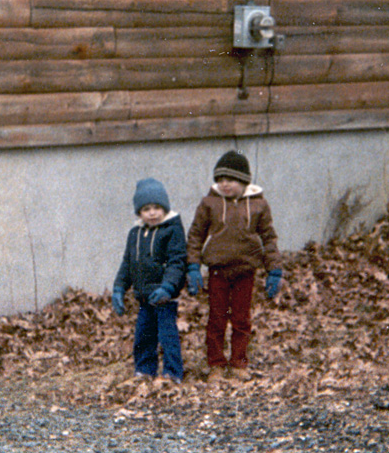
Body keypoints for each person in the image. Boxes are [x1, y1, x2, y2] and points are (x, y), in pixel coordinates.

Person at [186, 150, 282, 383]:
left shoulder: (259, 204)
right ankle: (216, 364)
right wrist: (193, 266)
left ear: (243, 180)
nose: (224, 184)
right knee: (216, 318)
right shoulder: (209, 203)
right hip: (218, 271)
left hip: (245, 271)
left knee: (241, 319)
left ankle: (239, 362)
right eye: (219, 179)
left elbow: (268, 237)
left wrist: (274, 270)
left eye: (229, 179)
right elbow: (196, 235)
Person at [112, 178, 187, 382]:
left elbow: (177, 262)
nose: (152, 213)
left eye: (156, 207)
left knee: (167, 336)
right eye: (146, 209)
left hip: (164, 297)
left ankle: (172, 373)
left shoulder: (172, 230)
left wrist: (168, 287)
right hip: (144, 297)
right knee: (144, 336)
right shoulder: (135, 234)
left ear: (164, 208)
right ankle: (145, 370)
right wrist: (119, 288)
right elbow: (127, 264)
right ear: (139, 212)